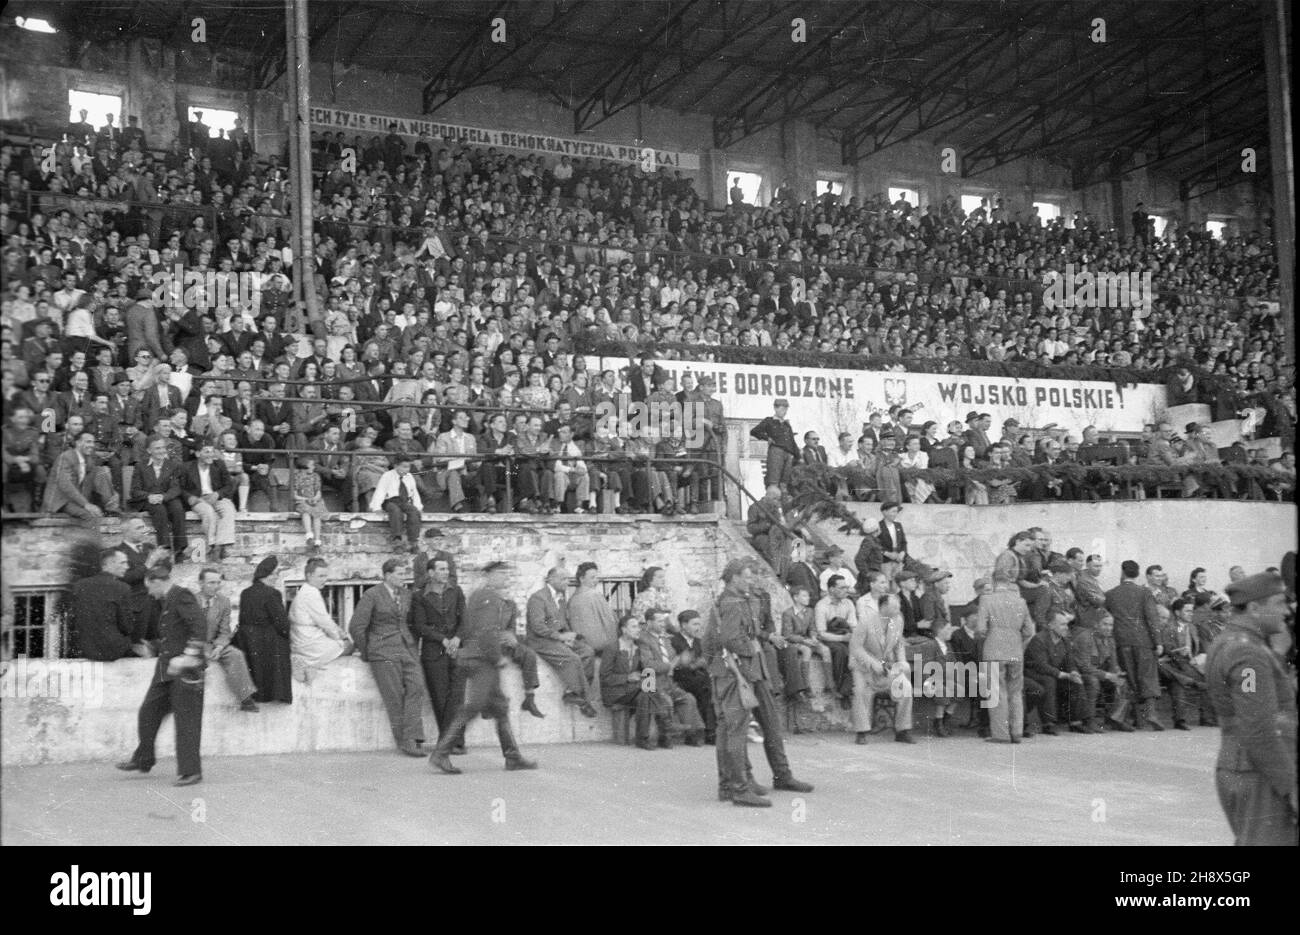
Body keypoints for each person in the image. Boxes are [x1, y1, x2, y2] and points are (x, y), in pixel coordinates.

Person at [703, 557, 813, 807]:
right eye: (748, 576)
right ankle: (736, 787)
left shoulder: (746, 599)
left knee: (766, 722)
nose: (753, 580)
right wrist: (750, 650)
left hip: (752, 668)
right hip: (738, 670)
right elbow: (730, 640)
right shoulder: (731, 603)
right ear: (734, 578)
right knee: (734, 728)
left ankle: (771, 777)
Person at [1205, 571, 1298, 846]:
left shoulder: (1235, 643)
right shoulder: (1248, 654)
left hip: (1245, 767)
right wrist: (1290, 786)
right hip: (1261, 773)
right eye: (1280, 603)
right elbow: (1258, 727)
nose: (1287, 611)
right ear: (1256, 608)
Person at [429, 561, 538, 774]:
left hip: (480, 658)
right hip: (482, 661)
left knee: (499, 707)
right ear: (488, 575)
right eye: (499, 574)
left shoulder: (487, 596)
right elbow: (486, 631)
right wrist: (497, 658)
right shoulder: (488, 598)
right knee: (472, 707)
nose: (504, 578)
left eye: (505, 574)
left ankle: (513, 756)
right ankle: (441, 754)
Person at [116, 564, 207, 786]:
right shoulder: (168, 600)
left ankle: (191, 771)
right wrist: (153, 647)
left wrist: (187, 656)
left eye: (150, 587)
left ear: (158, 581)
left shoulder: (181, 595)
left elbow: (199, 627)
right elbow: (174, 635)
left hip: (185, 671)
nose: (149, 593)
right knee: (148, 712)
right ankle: (143, 759)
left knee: (186, 722)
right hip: (166, 672)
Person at [350, 557, 428, 756]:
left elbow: (411, 622)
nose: (404, 578)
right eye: (400, 574)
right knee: (394, 696)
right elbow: (357, 627)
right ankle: (407, 741)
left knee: (417, 687)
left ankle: (414, 733)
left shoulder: (406, 594)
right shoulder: (372, 595)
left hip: (406, 648)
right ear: (387, 575)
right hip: (382, 651)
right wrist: (368, 651)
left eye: (405, 574)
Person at [850, 574, 915, 744]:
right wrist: (873, 663)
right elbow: (855, 648)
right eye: (895, 606)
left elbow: (898, 643)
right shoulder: (865, 621)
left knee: (905, 687)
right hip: (864, 666)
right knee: (861, 691)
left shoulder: (898, 620)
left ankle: (902, 730)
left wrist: (902, 661)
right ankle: (861, 732)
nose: (899, 608)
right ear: (884, 606)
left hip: (887, 665)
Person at [524, 566, 598, 717]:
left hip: (557, 638)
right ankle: (583, 699)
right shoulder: (538, 598)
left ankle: (572, 692)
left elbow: (563, 621)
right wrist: (559, 637)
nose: (567, 582)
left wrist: (569, 636)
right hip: (540, 641)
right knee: (572, 658)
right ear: (550, 580)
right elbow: (537, 626)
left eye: (568, 579)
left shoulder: (561, 598)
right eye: (563, 579)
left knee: (588, 652)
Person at [410, 553, 465, 750]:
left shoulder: (456, 591)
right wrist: (443, 639)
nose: (446, 572)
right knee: (440, 697)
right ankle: (447, 740)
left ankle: (459, 741)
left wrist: (457, 638)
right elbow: (420, 625)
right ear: (431, 573)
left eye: (447, 569)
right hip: (434, 651)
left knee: (457, 697)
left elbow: (464, 619)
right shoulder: (419, 596)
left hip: (457, 650)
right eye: (441, 569)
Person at [1105, 559, 1166, 730]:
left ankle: (1119, 715)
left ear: (1122, 573)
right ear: (1138, 574)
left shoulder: (1110, 594)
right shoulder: (1144, 593)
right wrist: (1158, 642)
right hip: (1143, 642)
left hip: (1121, 642)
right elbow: (1152, 618)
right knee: (1148, 678)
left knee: (1129, 679)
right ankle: (1151, 714)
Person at [975, 567, 1034, 743]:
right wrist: (1018, 644)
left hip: (994, 650)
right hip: (1016, 650)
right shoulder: (1020, 602)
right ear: (1009, 582)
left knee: (996, 692)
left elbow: (980, 629)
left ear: (993, 582)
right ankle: (1016, 732)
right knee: (1016, 692)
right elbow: (1029, 630)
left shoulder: (986, 600)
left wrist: (986, 637)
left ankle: (1000, 734)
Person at [196, 566, 259, 712]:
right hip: (195, 644)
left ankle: (245, 698)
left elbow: (225, 631)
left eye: (218, 583)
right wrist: (202, 649)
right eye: (211, 583)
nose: (215, 587)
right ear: (200, 583)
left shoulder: (223, 602)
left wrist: (218, 647)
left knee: (235, 654)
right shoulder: (191, 601)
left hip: (214, 644)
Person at [69, 548, 148, 660]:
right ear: (108, 564)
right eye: (123, 562)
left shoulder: (79, 585)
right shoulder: (122, 588)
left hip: (83, 649)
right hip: (111, 651)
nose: (127, 567)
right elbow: (127, 628)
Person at [233, 556, 293, 703]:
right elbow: (283, 624)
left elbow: (242, 620)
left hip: (248, 643)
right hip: (267, 642)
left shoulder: (245, 593)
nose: (275, 578)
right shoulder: (272, 594)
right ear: (266, 575)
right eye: (274, 574)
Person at [599, 614, 658, 744]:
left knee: (647, 694)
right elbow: (604, 677)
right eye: (634, 627)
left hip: (633, 690)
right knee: (647, 694)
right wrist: (627, 677)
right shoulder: (612, 648)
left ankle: (645, 737)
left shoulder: (638, 648)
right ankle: (645, 737)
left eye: (639, 627)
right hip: (615, 692)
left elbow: (646, 669)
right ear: (624, 629)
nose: (638, 630)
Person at [1023, 612, 1085, 736]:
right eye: (1062, 624)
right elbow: (1041, 666)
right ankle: (1048, 723)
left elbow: (1070, 661)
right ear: (1051, 625)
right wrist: (1064, 674)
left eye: (1066, 624)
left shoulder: (1065, 641)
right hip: (1034, 673)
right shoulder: (1039, 639)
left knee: (1075, 682)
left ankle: (1075, 722)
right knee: (1049, 681)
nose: (1066, 627)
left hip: (1055, 673)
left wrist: (1073, 672)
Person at [289, 557, 350, 680]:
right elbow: (325, 622)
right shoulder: (311, 593)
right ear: (309, 575)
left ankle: (308, 663)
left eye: (325, 576)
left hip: (300, 639)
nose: (324, 580)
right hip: (309, 642)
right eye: (320, 576)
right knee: (349, 646)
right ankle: (309, 664)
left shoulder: (304, 590)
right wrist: (341, 637)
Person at [130, 436, 189, 558]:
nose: (161, 451)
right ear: (149, 451)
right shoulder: (141, 466)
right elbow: (134, 490)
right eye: (157, 448)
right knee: (159, 509)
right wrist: (149, 496)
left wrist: (164, 497)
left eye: (163, 448)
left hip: (166, 498)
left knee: (178, 508)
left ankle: (180, 549)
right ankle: (165, 549)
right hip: (147, 500)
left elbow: (176, 488)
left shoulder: (173, 465)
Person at [43, 430, 122, 519]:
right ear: (78, 443)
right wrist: (86, 504)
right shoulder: (66, 457)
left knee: (102, 471)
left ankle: (111, 508)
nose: (92, 445)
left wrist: (113, 497)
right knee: (89, 516)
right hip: (61, 501)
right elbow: (66, 485)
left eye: (93, 442)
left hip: (77, 500)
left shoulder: (88, 459)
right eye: (88, 442)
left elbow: (96, 479)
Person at [1158, 598, 1208, 730]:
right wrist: (1178, 652)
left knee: (1183, 681)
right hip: (1174, 664)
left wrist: (1199, 657)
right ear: (1177, 612)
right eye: (1187, 611)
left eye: (1192, 611)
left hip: (1189, 664)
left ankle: (1207, 718)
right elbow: (1166, 649)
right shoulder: (1169, 628)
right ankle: (1180, 721)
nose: (1191, 613)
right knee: (1178, 683)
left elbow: (1199, 648)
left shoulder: (1192, 628)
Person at [181, 442, 237, 561]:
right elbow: (180, 488)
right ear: (197, 454)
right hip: (198, 499)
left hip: (216, 497)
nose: (210, 455)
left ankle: (219, 545)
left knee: (229, 510)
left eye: (212, 451)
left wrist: (217, 494)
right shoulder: (186, 467)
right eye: (206, 451)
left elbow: (229, 485)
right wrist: (190, 498)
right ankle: (212, 544)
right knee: (208, 512)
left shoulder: (219, 464)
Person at [670, 610, 716, 743]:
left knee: (707, 686)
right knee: (704, 687)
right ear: (684, 625)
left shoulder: (699, 642)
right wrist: (694, 664)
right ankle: (707, 732)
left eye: (699, 624)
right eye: (695, 624)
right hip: (681, 679)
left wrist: (697, 664)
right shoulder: (674, 641)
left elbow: (705, 660)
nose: (698, 627)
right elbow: (678, 663)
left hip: (698, 679)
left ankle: (710, 731)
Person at [813, 573, 856, 702]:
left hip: (846, 635)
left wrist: (853, 636)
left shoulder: (848, 603)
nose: (846, 590)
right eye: (842, 588)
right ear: (831, 589)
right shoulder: (821, 606)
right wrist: (842, 639)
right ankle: (842, 690)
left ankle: (853, 688)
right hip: (829, 638)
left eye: (846, 587)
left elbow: (853, 624)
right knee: (840, 651)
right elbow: (822, 633)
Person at [370, 455, 423, 551]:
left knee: (414, 511)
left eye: (408, 467)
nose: (406, 469)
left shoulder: (409, 477)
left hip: (403, 501)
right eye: (404, 467)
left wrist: (418, 506)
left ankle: (413, 541)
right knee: (395, 511)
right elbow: (380, 491)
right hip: (390, 501)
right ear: (396, 466)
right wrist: (376, 507)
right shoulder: (387, 475)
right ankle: (397, 540)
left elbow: (414, 492)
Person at [566, 561, 619, 653]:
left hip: (582, 647)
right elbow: (610, 621)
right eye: (592, 577)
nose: (596, 580)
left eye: (596, 577)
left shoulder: (572, 600)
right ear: (582, 579)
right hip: (602, 647)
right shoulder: (594, 595)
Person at [749, 399, 799, 488]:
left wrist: (798, 456)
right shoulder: (769, 421)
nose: (785, 412)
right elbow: (754, 431)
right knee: (774, 479)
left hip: (789, 453)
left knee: (785, 481)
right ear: (775, 408)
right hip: (776, 451)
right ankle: (772, 497)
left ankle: (784, 497)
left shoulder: (786, 424)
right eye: (782, 409)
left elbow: (792, 441)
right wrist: (767, 438)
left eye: (786, 409)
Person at [292, 455, 328, 551]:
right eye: (311, 465)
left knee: (317, 513)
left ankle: (317, 539)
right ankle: (309, 535)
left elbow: (318, 492)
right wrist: (305, 499)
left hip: (315, 500)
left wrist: (315, 498)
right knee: (306, 511)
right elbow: (294, 495)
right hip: (302, 500)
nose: (313, 467)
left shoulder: (316, 476)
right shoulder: (296, 476)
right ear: (304, 466)